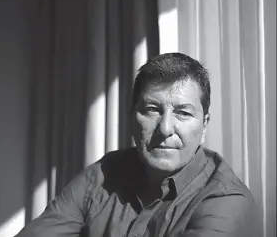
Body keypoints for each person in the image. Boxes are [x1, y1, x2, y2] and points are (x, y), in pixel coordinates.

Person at [16, 53, 257, 237]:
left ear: (204, 125)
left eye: (183, 113)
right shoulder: (104, 174)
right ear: (131, 117)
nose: (165, 129)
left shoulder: (225, 202)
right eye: (152, 110)